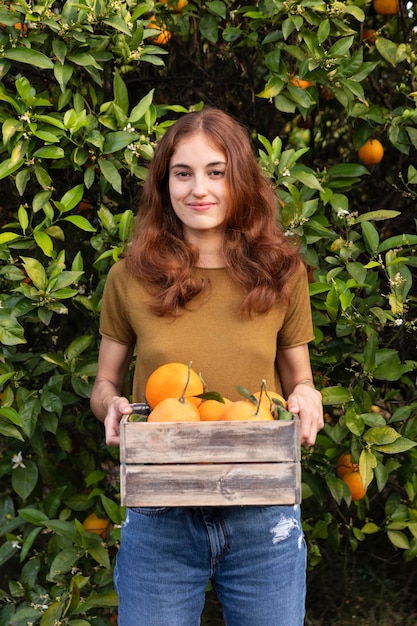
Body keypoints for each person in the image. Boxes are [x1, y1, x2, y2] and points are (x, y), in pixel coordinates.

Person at [90, 107, 324, 626]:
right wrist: (112, 406)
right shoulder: (130, 277)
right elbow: (104, 382)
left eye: (216, 172)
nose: (200, 189)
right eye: (183, 173)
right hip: (161, 516)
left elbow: (299, 378)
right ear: (164, 184)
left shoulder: (281, 273)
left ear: (239, 178)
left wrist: (307, 396)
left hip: (263, 515)